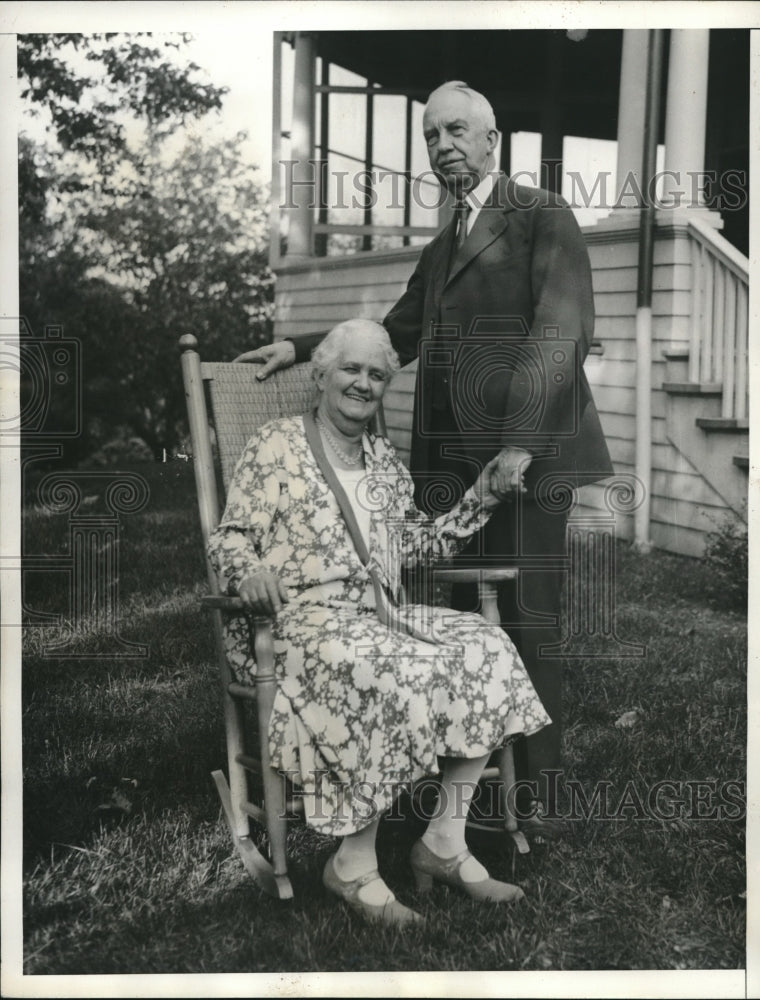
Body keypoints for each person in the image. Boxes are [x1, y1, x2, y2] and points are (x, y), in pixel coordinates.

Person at [236, 81, 613, 839]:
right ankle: (463, 794)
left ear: (491, 141)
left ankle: (535, 800)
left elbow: (559, 331)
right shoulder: (443, 245)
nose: (443, 146)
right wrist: (304, 347)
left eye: (456, 132)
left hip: (530, 459)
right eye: (431, 136)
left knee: (529, 619)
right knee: (467, 618)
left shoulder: (539, 215)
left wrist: (520, 443)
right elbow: (394, 331)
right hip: (454, 475)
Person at [208, 319, 551, 926]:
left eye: (376, 375)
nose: (363, 384)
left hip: (376, 613)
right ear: (321, 374)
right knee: (384, 662)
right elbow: (231, 536)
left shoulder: (385, 466)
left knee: (485, 644)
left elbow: (416, 547)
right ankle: (352, 865)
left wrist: (483, 496)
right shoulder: (277, 444)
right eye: (350, 369)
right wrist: (251, 573)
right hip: (294, 622)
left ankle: (444, 841)